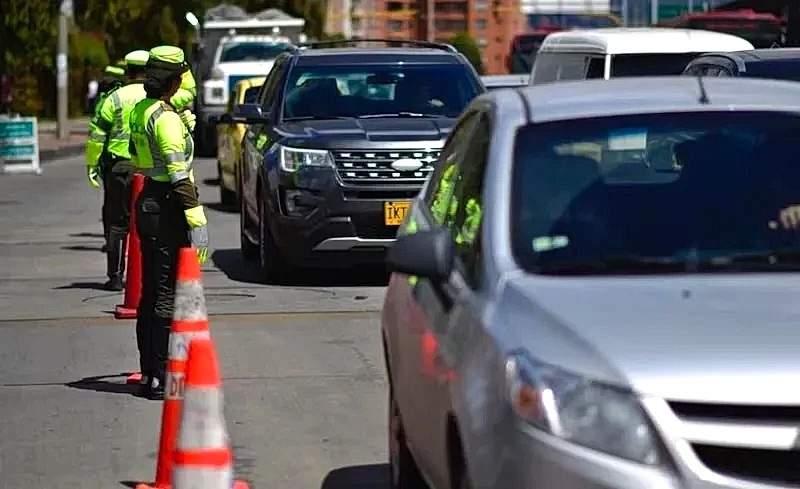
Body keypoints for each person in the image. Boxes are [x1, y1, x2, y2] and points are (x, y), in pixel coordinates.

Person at [129, 46, 208, 399]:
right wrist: (196, 216)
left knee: (149, 293)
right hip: (168, 205)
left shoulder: (143, 111)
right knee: (165, 295)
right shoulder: (165, 118)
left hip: (148, 201)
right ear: (174, 82)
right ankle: (161, 375)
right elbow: (178, 174)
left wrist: (181, 124)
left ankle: (149, 371)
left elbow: (143, 153)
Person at [86, 50, 150, 291]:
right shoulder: (158, 98)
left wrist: (93, 164)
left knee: (117, 224)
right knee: (151, 223)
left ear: (128, 71)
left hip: (119, 168)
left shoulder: (115, 97)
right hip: (149, 168)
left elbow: (97, 133)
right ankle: (148, 276)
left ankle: (115, 277)